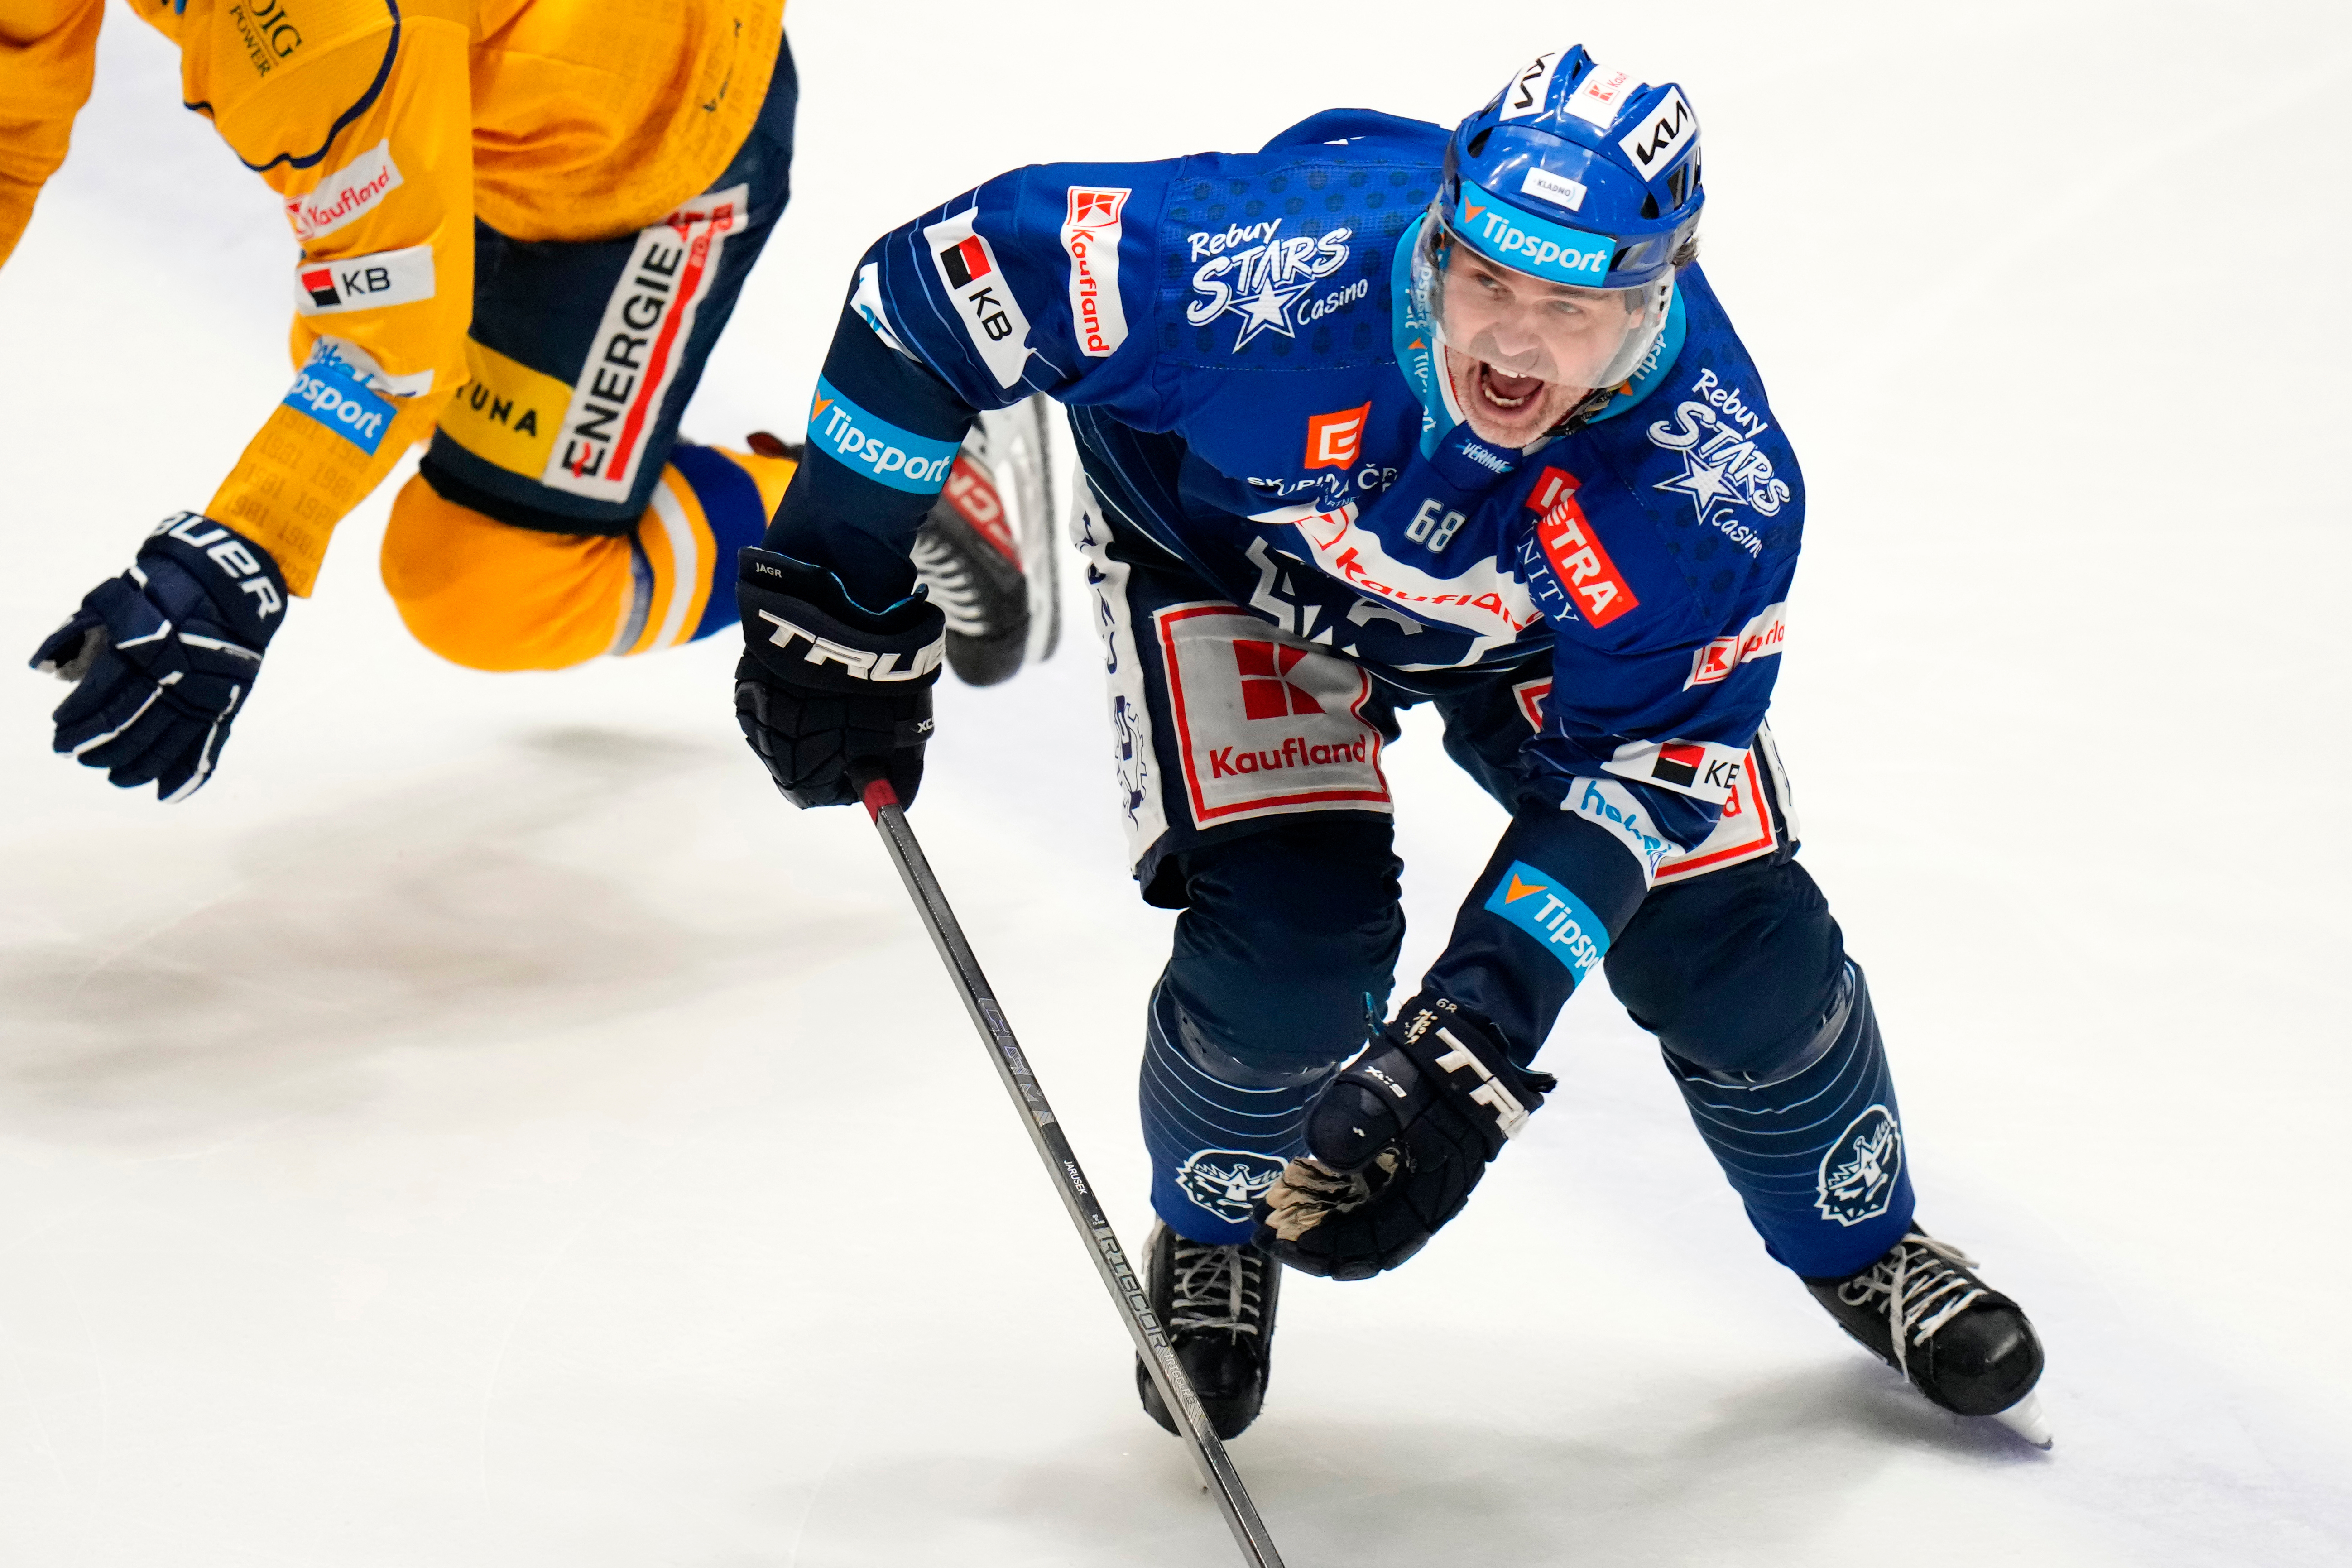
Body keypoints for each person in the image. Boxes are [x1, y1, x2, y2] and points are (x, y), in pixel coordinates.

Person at [730, 46, 2049, 1446]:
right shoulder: (1261, 269)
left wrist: (1476, 1037)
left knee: (1735, 948)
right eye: (1485, 280)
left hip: (1542, 651)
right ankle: (1221, 1219)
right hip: (1230, 563)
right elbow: (941, 287)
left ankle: (1858, 1240)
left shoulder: (1706, 488)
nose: (1510, 345)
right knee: (1289, 962)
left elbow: (1645, 773)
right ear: (1437, 234)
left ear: (1658, 291)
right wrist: (836, 585)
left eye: (1571, 305)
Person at [4, 0, 1050, 801]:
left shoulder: (309, 28)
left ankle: (889, 476)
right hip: (474, 93)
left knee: (486, 585)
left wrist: (248, 545)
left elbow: (385, 340)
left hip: (631, 149)